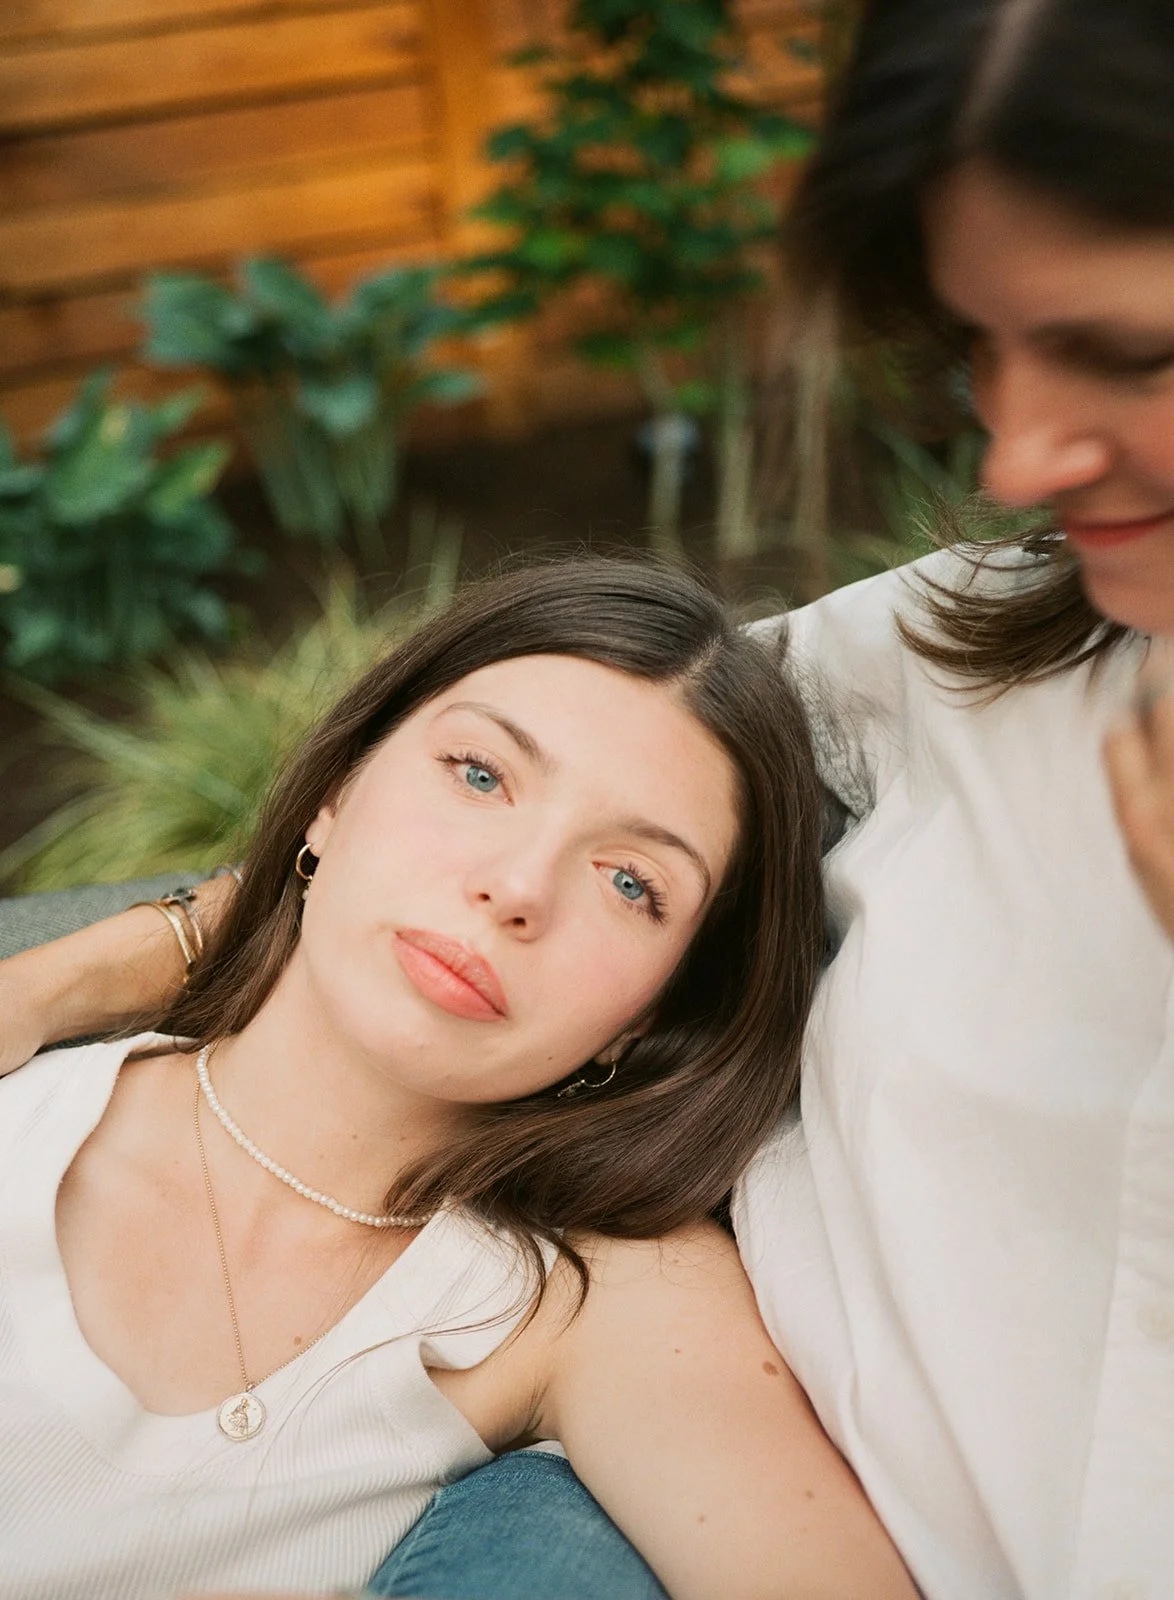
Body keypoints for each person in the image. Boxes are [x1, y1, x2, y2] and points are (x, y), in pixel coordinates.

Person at [5, 0, 1174, 1595]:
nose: (1021, 454)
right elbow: (596, 721)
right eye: (977, 349)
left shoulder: (580, 1307)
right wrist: (69, 978)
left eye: (1127, 353)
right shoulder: (987, 632)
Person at [0, 558, 917, 1600]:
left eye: (631, 883)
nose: (516, 887)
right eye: (480, 774)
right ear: (337, 793)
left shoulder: (582, 1298)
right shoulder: (26, 1108)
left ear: (653, 1010)